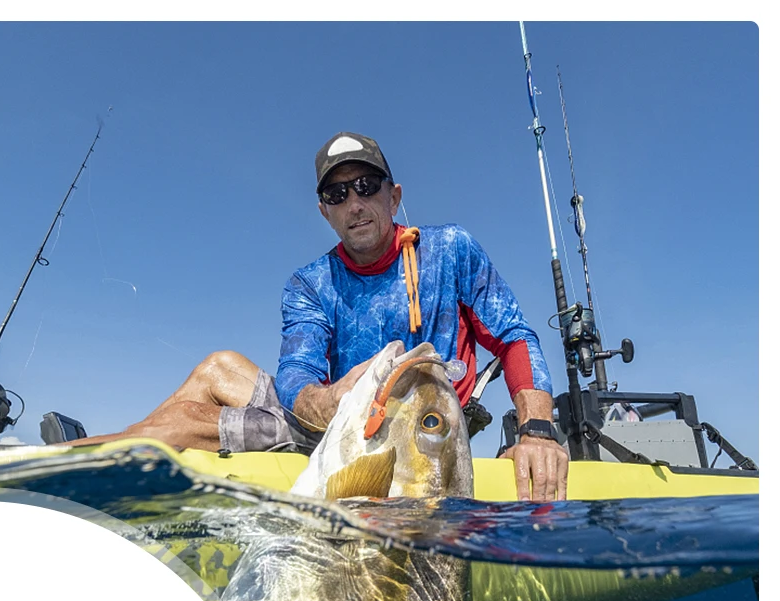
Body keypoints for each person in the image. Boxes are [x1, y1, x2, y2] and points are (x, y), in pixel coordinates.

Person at [77, 132, 569, 502]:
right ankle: (97, 455)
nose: (354, 204)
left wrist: (537, 432)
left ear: (393, 196)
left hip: (415, 434)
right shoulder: (309, 283)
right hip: (334, 419)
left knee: (186, 420)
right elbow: (297, 376)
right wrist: (330, 399)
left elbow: (514, 337)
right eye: (337, 195)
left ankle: (89, 458)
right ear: (324, 212)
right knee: (218, 366)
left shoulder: (451, 249)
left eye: (365, 186)